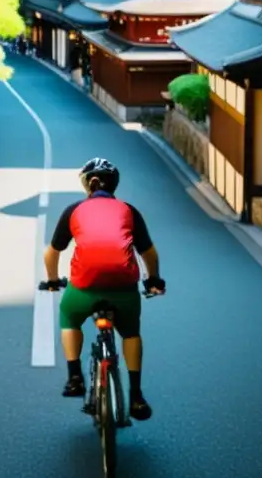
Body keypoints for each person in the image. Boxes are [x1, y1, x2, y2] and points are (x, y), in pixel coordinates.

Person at [42, 157, 165, 421]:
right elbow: (149, 254)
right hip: (124, 288)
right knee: (131, 333)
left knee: (68, 316)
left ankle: (75, 377)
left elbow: (51, 254)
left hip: (85, 286)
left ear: (89, 184)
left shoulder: (74, 210)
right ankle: (136, 396)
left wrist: (53, 280)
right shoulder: (129, 210)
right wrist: (154, 279)